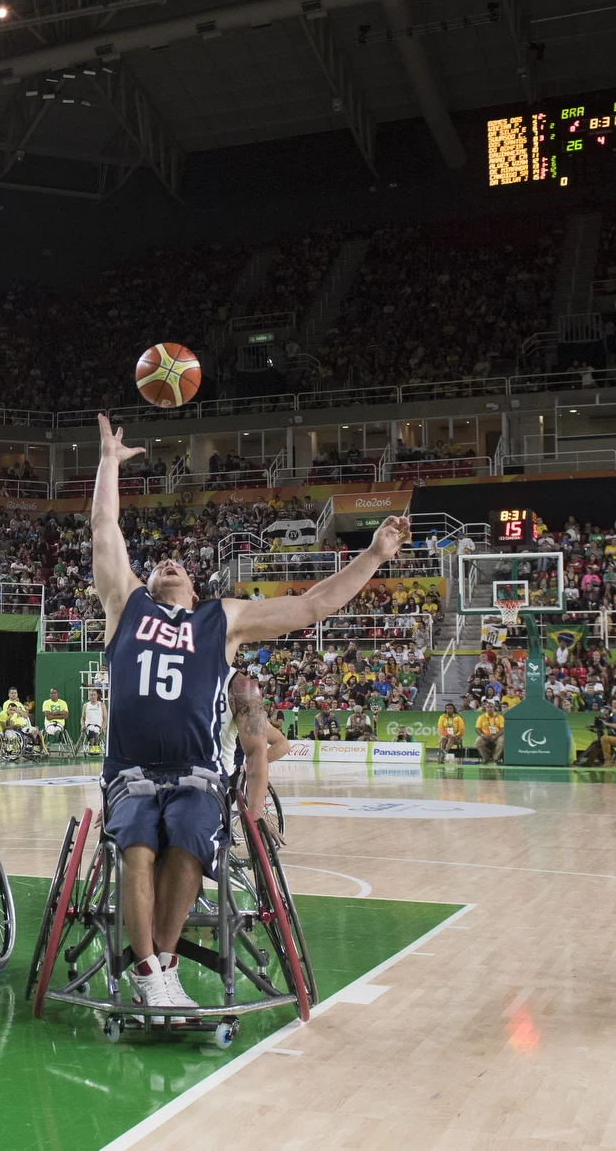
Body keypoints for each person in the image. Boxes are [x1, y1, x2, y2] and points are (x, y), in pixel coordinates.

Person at [89, 412, 410, 1018]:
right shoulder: (125, 605)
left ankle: (162, 970)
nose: (168, 563)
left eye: (178, 564)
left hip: (196, 773)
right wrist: (108, 463)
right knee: (136, 845)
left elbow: (312, 606)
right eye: (159, 562)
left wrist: (373, 554)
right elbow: (106, 529)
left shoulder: (223, 619)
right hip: (129, 770)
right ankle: (149, 974)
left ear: (195, 584)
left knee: (186, 842)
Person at [0, 689, 38, 761]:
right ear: (9, 694)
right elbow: (5, 727)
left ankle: (27, 748)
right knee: (9, 735)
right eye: (12, 693)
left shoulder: (18, 704)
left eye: (15, 693)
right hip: (1, 729)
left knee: (33, 732)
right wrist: (15, 724)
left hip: (14, 726)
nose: (14, 694)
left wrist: (18, 712)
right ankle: (4, 751)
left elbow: (25, 715)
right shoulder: (5, 709)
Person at [81, 687, 106, 755]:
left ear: (97, 695)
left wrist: (104, 727)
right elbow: (82, 718)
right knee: (91, 731)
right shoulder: (86, 705)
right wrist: (82, 726)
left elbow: (105, 718)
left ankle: (97, 746)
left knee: (96, 731)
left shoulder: (101, 705)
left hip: (98, 725)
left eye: (94, 695)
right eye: (91, 695)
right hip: (89, 725)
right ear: (89, 696)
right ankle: (92, 747)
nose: (93, 696)